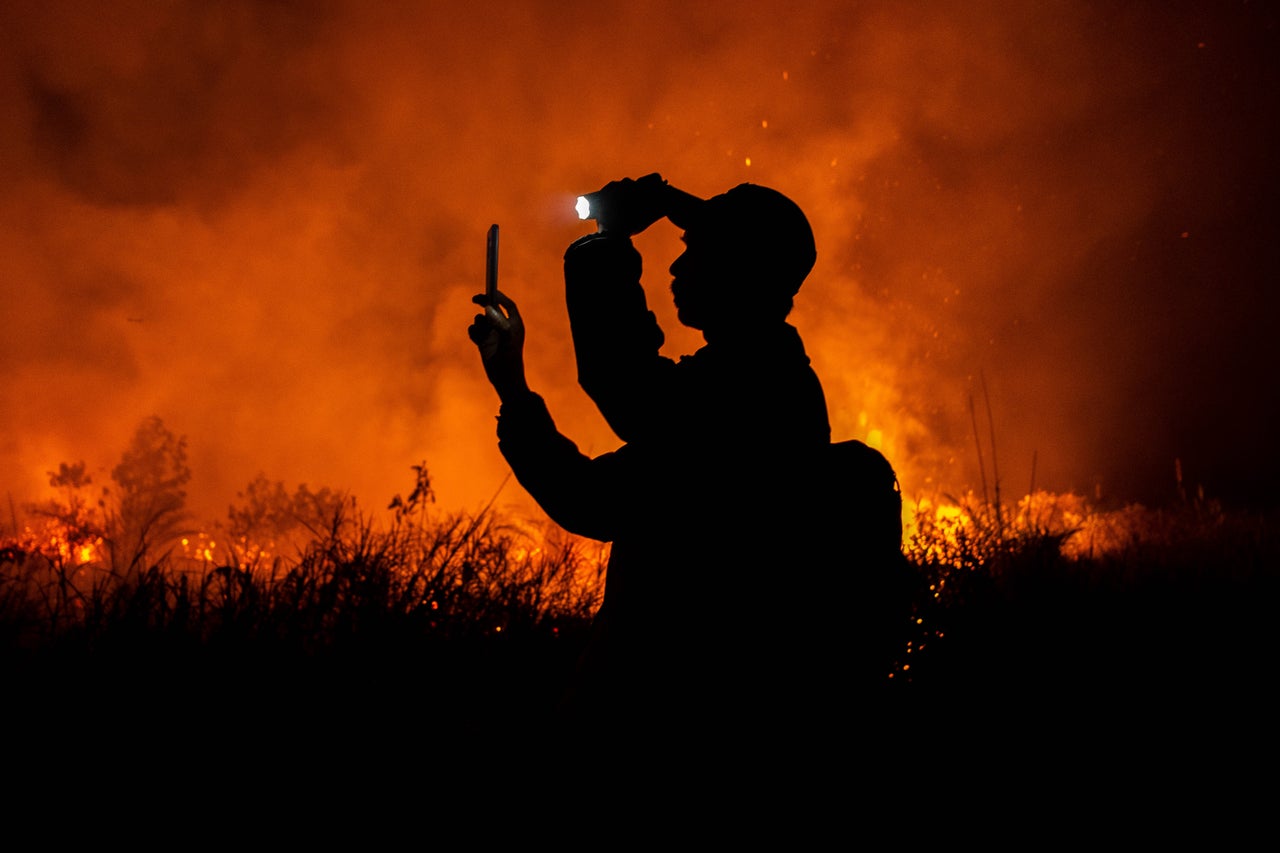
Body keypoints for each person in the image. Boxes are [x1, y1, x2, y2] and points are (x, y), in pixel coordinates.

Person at [469, 176, 887, 728]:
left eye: (695, 251)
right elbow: (614, 465)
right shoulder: (770, 382)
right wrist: (514, 391)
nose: (673, 268)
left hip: (679, 711)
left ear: (741, 271)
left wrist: (609, 244)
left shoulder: (749, 392)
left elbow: (606, 453)